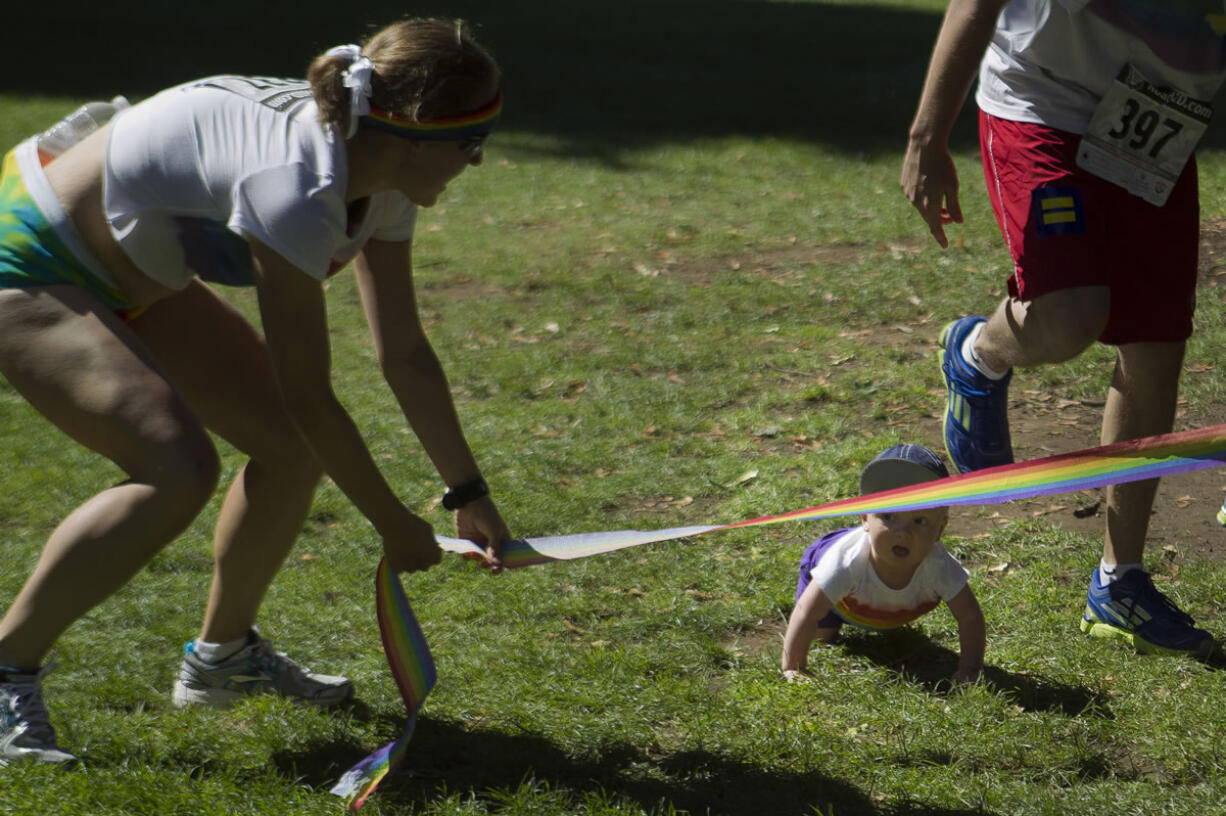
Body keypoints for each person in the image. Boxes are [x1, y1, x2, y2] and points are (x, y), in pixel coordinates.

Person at [0, 17, 511, 765]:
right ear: (412, 135)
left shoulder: (384, 170)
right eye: (470, 144)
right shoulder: (295, 186)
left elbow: (403, 351)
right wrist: (393, 525)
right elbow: (311, 392)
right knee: (176, 469)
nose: (477, 161)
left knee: (289, 451)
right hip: (30, 255)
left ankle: (221, 659)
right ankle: (8, 666)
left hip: (132, 269)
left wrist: (466, 489)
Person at [900, 0, 1225, 656]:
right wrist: (926, 137)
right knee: (1070, 314)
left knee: (1156, 347)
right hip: (1040, 98)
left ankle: (1119, 581)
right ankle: (978, 352)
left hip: (1159, 112)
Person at [781, 445, 985, 685]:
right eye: (888, 517)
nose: (902, 532)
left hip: (878, 608)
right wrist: (793, 668)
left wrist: (970, 669)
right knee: (821, 637)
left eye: (919, 520)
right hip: (839, 599)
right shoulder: (844, 563)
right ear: (865, 518)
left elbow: (969, 616)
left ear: (940, 529)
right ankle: (827, 628)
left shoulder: (938, 566)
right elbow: (808, 610)